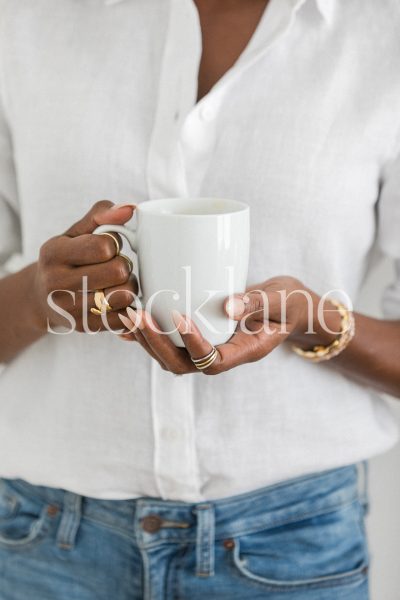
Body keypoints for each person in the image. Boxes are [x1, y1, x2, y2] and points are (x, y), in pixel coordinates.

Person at [0, 0, 399, 598]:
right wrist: (40, 295)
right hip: (46, 545)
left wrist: (314, 321)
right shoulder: (28, 22)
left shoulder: (382, 34)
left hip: (292, 549)